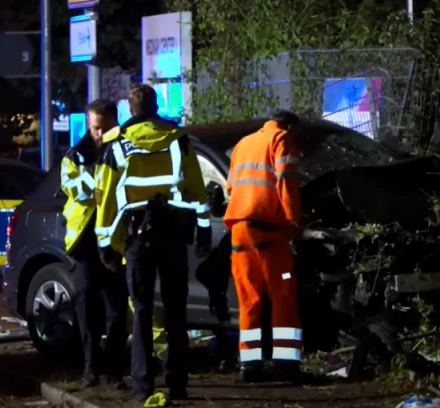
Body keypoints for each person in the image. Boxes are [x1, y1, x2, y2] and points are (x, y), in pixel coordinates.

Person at [94, 84, 212, 401]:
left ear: (130, 110)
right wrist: (204, 232)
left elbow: (105, 199)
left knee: (143, 312)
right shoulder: (178, 140)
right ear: (156, 105)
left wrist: (105, 244)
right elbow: (196, 190)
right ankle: (177, 383)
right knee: (176, 311)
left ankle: (142, 386)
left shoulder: (117, 145)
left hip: (137, 239)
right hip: (174, 235)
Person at [223, 111, 303, 383]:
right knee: (284, 294)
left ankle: (250, 366)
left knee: (249, 300)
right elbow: (286, 183)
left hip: (239, 234)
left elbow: (231, 187)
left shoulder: (243, 144)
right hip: (270, 236)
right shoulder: (281, 138)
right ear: (289, 127)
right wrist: (294, 222)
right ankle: (286, 363)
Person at [60, 99, 129, 389]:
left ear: (115, 122)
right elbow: (78, 190)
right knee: (86, 307)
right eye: (95, 128)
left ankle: (113, 371)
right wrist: (103, 183)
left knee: (116, 310)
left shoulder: (125, 150)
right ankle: (90, 368)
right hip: (86, 242)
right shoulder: (76, 156)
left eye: (104, 127)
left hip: (114, 241)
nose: (99, 134)